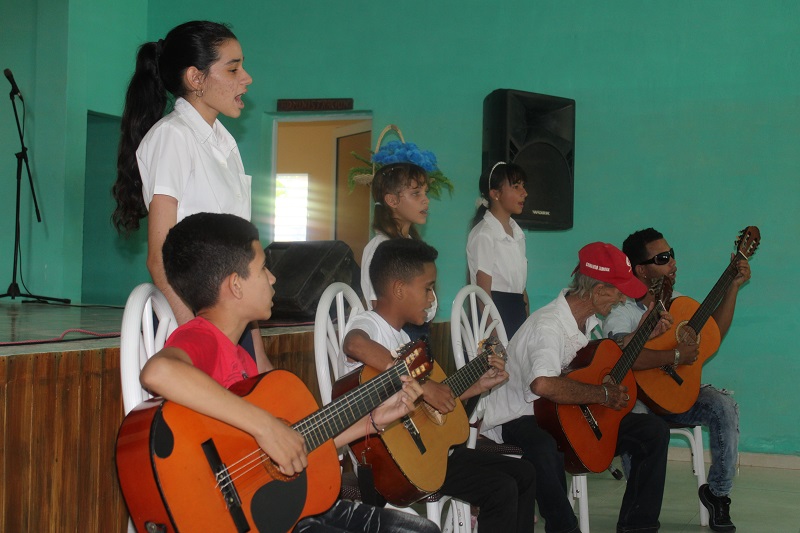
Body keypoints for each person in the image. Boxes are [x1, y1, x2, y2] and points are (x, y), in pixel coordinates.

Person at [138, 212, 438, 533]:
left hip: (285, 508)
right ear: (236, 286)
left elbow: (293, 443)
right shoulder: (201, 336)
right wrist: (265, 426)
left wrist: (375, 421)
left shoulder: (243, 358)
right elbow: (159, 370)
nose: (273, 278)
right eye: (263, 268)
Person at [343, 238, 537, 533]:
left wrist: (476, 386)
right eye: (427, 288)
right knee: (500, 489)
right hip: (393, 462)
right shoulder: (370, 323)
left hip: (424, 451)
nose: (432, 298)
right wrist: (419, 383)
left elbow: (428, 404)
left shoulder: (406, 341)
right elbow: (355, 344)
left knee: (524, 472)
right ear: (398, 289)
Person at [481, 242, 672, 533]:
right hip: (519, 414)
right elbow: (542, 384)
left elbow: (590, 364)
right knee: (546, 447)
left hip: (564, 412)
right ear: (597, 291)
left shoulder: (587, 320)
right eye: (618, 291)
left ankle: (638, 526)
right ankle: (563, 527)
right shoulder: (549, 326)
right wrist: (602, 394)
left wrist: (644, 334)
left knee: (653, 432)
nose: (621, 299)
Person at [111, 20, 268, 364]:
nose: (247, 78)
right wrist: (203, 342)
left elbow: (244, 264)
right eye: (233, 68)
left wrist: (258, 354)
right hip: (195, 327)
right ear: (196, 78)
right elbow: (158, 259)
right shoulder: (173, 137)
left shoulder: (226, 144)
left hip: (230, 325)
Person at [602, 228, 747, 532]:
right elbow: (620, 357)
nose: (673, 263)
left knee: (723, 405)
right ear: (640, 269)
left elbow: (712, 336)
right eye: (663, 258)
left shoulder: (678, 304)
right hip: (638, 400)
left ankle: (718, 495)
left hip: (678, 396)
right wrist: (675, 357)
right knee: (639, 424)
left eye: (672, 254)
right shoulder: (621, 310)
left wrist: (732, 287)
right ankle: (639, 509)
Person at [360, 163, 436, 338]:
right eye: (416, 193)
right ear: (392, 200)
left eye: (425, 192)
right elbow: (378, 307)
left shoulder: (411, 244)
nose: (426, 200)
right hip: (396, 340)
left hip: (417, 334)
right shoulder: (380, 247)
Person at [467, 161, 530, 338]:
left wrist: (526, 326)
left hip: (515, 312)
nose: (524, 193)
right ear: (495, 194)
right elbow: (483, 295)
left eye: (523, 186)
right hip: (493, 318)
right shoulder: (485, 234)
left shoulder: (517, 233)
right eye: (516, 187)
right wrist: (495, 339)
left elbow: (521, 289)